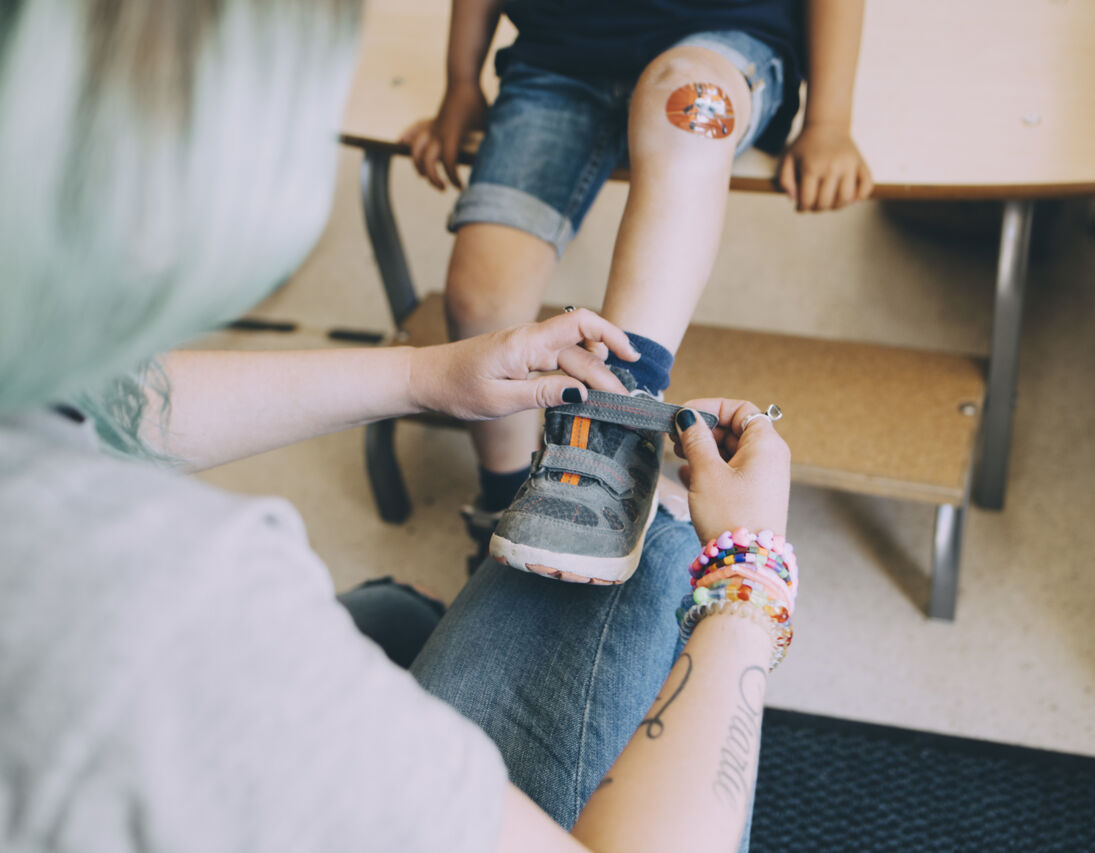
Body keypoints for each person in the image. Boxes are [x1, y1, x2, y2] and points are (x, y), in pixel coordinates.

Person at [0, 2, 798, 851]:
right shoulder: (183, 604)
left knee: (395, 618)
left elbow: (97, 411)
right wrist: (750, 576)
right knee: (667, 542)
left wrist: (425, 376)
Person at [401, 0, 871, 583]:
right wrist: (462, 82)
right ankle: (503, 498)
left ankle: (615, 427)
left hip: (718, 43)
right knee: (479, 303)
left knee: (686, 97)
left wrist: (828, 121)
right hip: (558, 60)